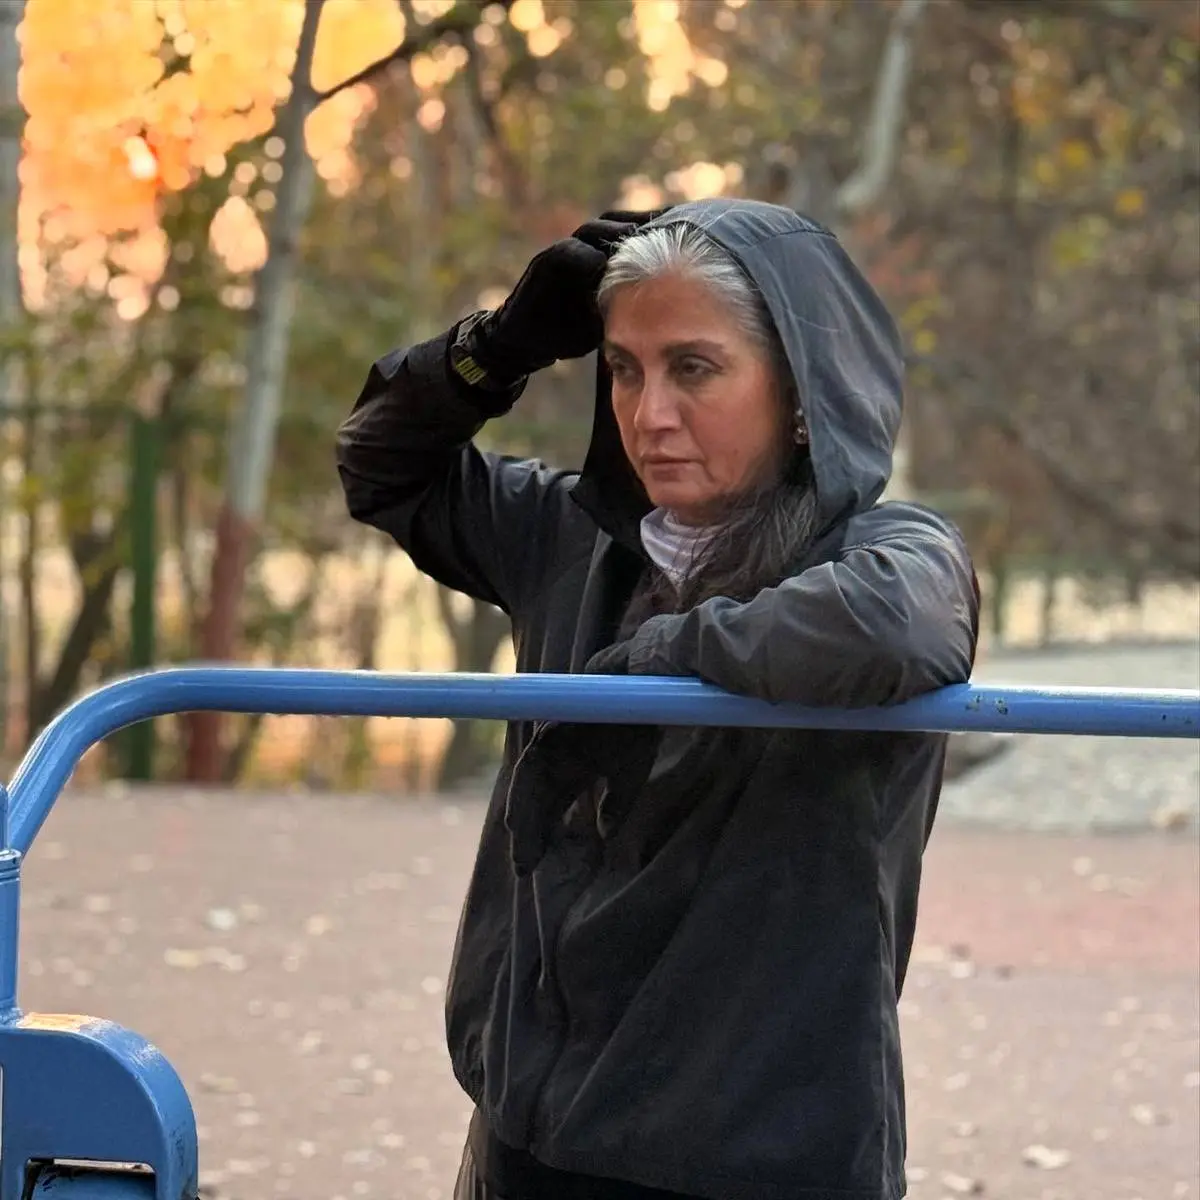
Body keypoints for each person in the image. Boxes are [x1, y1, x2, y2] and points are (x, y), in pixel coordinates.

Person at [336, 198, 980, 1200]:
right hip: (529, 1139)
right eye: (625, 369)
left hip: (753, 1158)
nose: (649, 414)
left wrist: (650, 662)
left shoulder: (889, 555)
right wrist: (496, 347)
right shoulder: (569, 537)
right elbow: (381, 466)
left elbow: (899, 625)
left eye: (694, 368)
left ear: (800, 392)